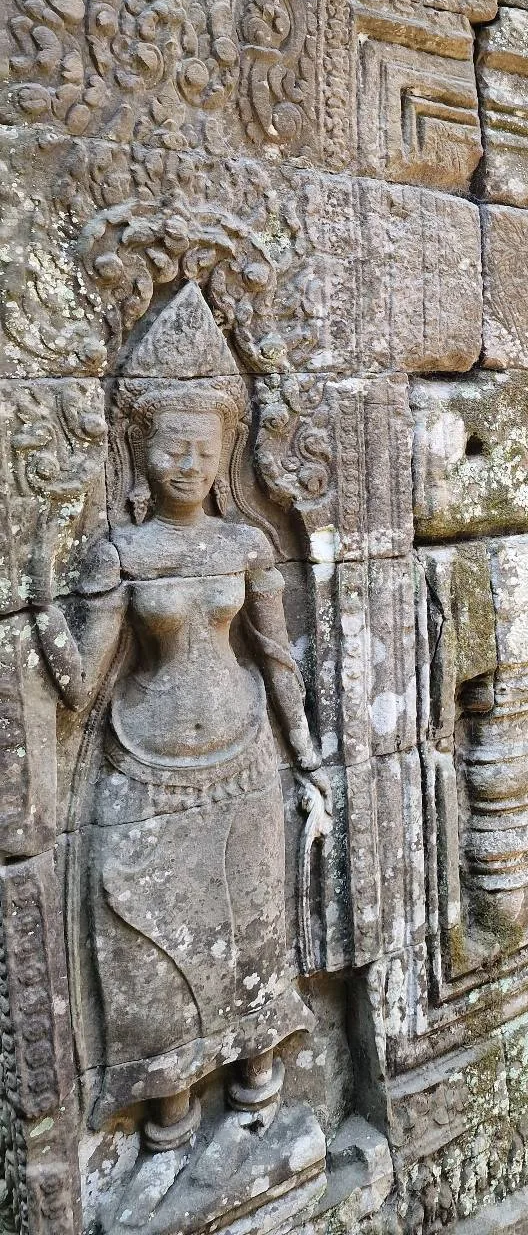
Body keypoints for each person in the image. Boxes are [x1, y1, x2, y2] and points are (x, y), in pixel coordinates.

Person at [33, 283, 329, 1149]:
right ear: (141, 454)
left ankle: (260, 1094)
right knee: (149, 936)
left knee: (250, 931)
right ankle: (166, 1124)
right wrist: (44, 607)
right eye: (172, 449)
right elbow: (84, 684)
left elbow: (277, 659)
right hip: (144, 760)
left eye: (203, 449)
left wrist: (308, 756)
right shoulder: (122, 553)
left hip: (243, 760)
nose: (189, 466)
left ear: (226, 451)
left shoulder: (245, 545)